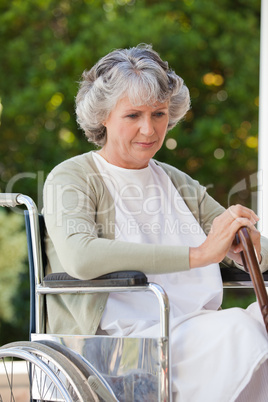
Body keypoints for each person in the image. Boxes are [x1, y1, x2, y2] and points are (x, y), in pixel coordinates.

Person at [43, 44, 268, 401]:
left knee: (253, 327)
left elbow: (240, 244)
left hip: (192, 329)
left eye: (159, 114)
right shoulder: (72, 176)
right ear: (104, 116)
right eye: (133, 115)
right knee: (241, 330)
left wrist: (248, 242)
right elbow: (80, 256)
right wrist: (199, 254)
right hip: (124, 344)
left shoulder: (175, 181)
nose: (149, 129)